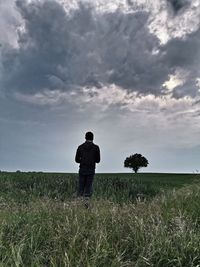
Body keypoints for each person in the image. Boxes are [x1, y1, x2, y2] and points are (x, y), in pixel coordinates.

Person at [75, 131, 100, 203]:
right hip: (91, 170)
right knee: (88, 189)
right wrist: (91, 160)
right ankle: (86, 206)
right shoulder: (96, 148)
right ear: (93, 138)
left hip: (82, 169)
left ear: (85, 138)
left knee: (80, 188)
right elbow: (98, 160)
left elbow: (76, 160)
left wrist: (83, 161)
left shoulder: (80, 147)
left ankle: (78, 205)